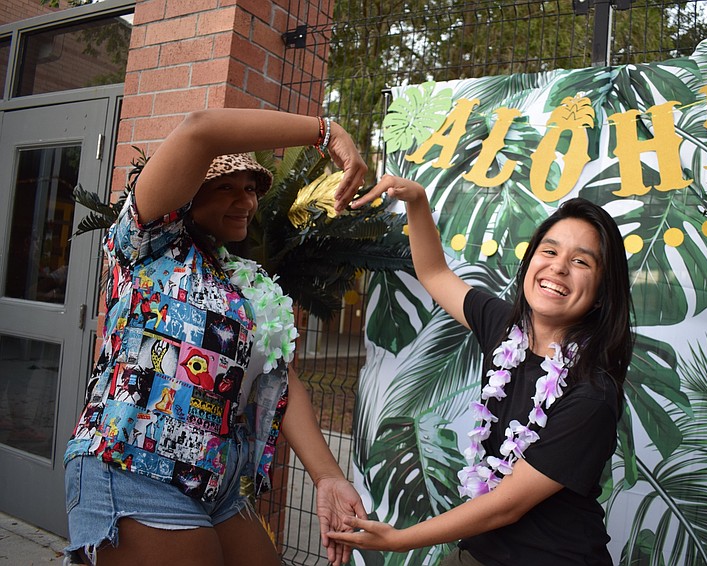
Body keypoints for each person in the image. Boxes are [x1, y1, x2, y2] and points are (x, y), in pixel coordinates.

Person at [63, 108, 369, 566]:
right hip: (135, 466)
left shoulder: (245, 281)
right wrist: (325, 132)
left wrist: (327, 476)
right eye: (225, 186)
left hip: (217, 480)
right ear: (188, 194)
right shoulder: (147, 242)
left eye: (250, 189)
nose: (244, 200)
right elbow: (200, 130)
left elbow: (278, 382)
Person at [329, 176, 635, 565]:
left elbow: (505, 506)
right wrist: (419, 200)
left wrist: (399, 540)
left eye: (580, 261)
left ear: (601, 293)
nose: (558, 268)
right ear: (531, 262)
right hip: (481, 552)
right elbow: (436, 274)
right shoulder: (505, 329)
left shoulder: (593, 392)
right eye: (550, 251)